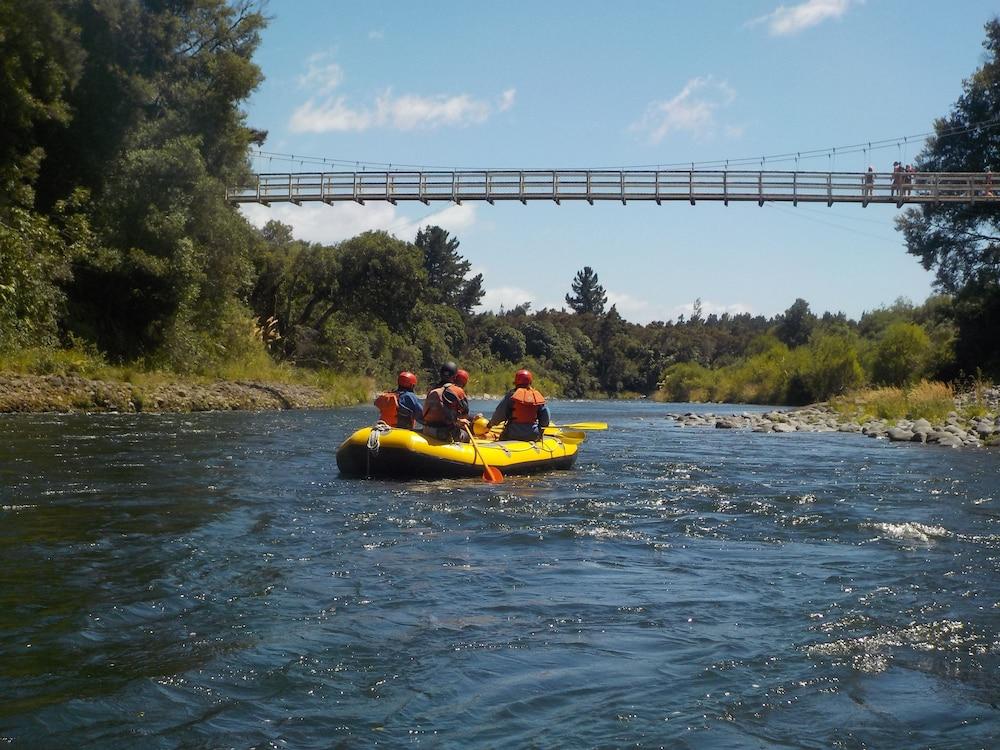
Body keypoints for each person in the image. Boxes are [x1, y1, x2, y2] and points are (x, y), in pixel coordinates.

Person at [487, 369, 551, 441]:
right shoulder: (536, 396)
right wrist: (540, 431)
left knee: (502, 437)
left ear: (516, 382)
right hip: (533, 434)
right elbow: (546, 419)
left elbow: (499, 415)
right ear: (530, 382)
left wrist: (490, 424)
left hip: (513, 434)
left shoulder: (511, 396)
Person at [422, 362, 470, 442]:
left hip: (428, 430)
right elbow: (465, 414)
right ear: (454, 376)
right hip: (444, 433)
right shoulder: (458, 391)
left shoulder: (432, 390)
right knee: (466, 436)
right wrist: (459, 421)